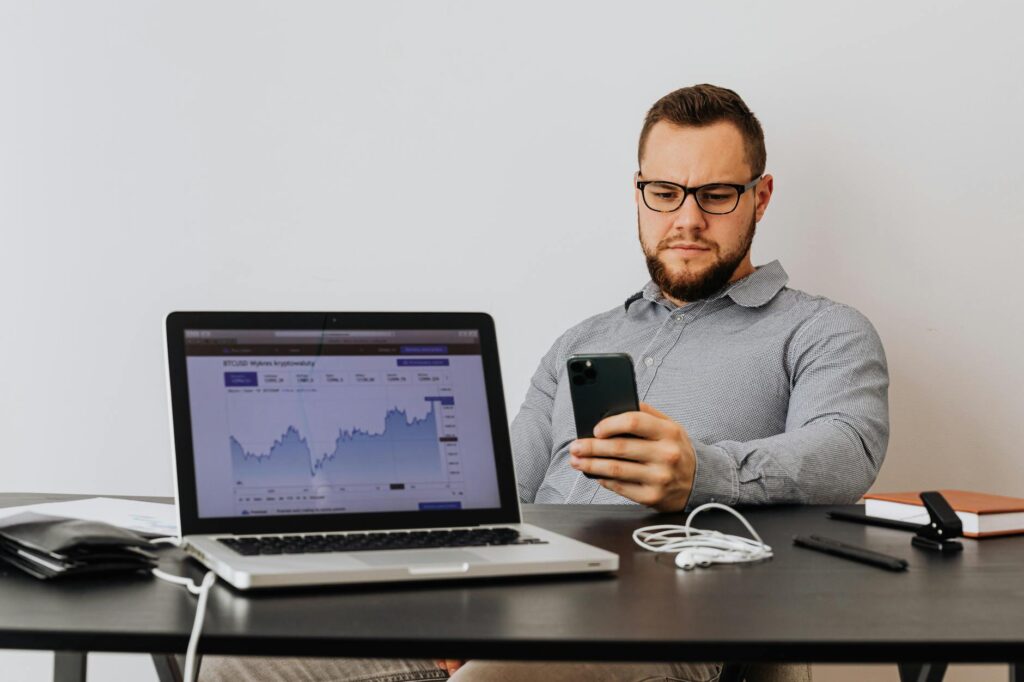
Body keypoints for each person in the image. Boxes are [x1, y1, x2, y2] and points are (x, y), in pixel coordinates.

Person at [201, 83, 888, 682]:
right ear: (639, 193)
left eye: (715, 195)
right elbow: (498, 492)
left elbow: (846, 449)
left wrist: (703, 472)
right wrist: (443, 600)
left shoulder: (822, 330)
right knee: (235, 662)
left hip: (660, 624)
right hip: (519, 600)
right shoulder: (583, 341)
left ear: (760, 197)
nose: (686, 219)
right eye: (665, 192)